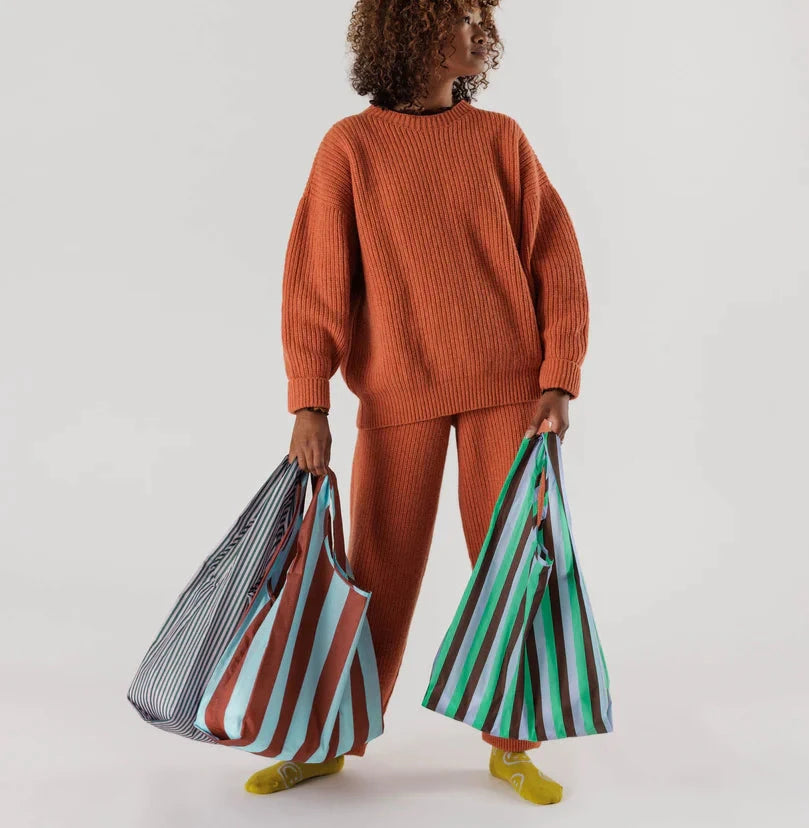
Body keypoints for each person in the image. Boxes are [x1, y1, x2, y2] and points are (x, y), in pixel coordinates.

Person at [245, 0, 589, 806]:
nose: (476, 31)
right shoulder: (351, 148)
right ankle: (323, 739)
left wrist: (558, 374)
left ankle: (514, 743)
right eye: (458, 16)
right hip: (399, 392)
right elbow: (316, 283)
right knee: (372, 573)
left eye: (477, 16)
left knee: (518, 565)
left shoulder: (500, 139)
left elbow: (556, 260)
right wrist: (308, 401)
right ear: (410, 31)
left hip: (508, 391)